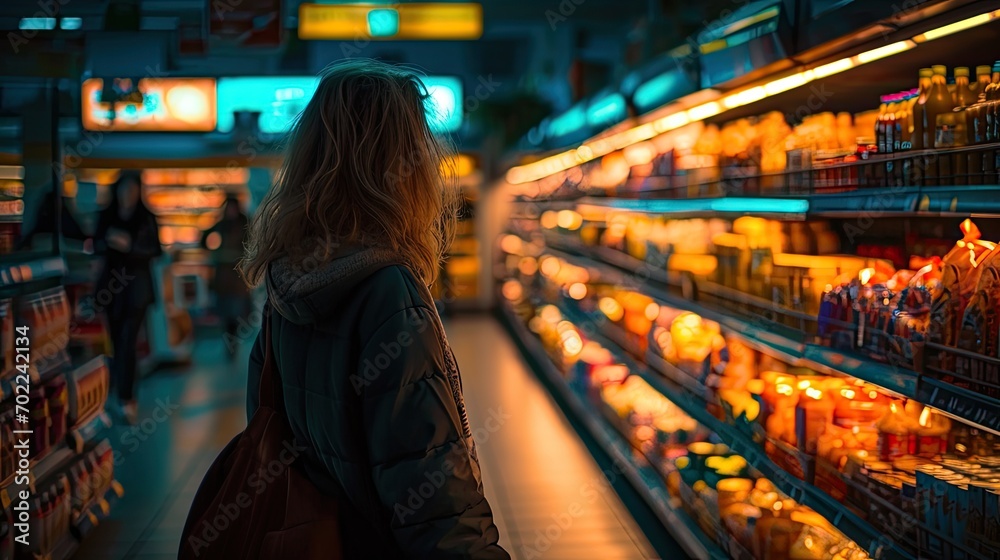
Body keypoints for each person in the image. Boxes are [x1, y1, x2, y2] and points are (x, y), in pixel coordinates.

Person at [239, 60, 509, 558]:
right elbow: (433, 497)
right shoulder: (387, 291)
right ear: (402, 169)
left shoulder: (286, 282)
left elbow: (267, 424)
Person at [95, 170, 162, 425]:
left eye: (133, 189)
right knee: (114, 341)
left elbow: (155, 250)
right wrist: (107, 242)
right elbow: (96, 244)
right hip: (110, 290)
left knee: (127, 341)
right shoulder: (106, 215)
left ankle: (126, 398)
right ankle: (117, 394)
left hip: (136, 290)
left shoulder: (146, 218)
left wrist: (129, 246)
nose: (128, 194)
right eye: (124, 189)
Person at [201, 195, 250, 359]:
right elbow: (204, 236)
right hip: (225, 277)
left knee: (235, 312)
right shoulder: (223, 225)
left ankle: (232, 344)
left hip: (236, 278)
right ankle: (230, 345)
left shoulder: (244, 225)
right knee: (227, 314)